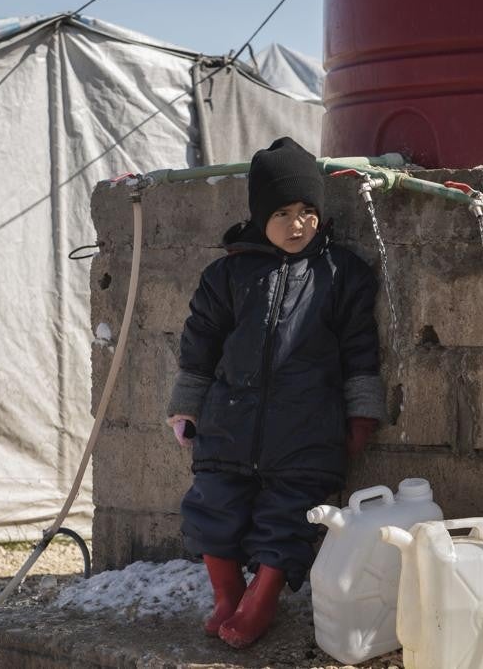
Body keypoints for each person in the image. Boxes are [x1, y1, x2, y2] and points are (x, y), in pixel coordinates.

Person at [165, 136, 385, 649]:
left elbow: (359, 348)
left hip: (306, 426)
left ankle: (261, 601)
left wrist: (361, 413)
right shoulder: (228, 274)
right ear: (259, 216)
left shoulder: (342, 274)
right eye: (282, 212)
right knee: (210, 504)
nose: (297, 224)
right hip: (230, 420)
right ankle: (226, 595)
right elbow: (200, 343)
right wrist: (187, 405)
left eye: (308, 211)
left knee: (287, 518)